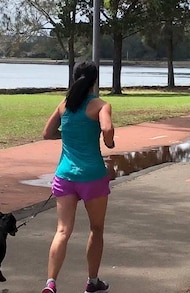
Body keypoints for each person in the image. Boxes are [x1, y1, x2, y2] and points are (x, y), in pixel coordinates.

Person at [41, 61, 115, 293]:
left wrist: (69, 136)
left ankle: (50, 283)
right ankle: (92, 282)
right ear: (95, 81)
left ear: (75, 78)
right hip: (92, 176)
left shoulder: (64, 105)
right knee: (96, 229)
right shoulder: (101, 105)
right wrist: (109, 142)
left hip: (65, 176)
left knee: (62, 231)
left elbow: (47, 133)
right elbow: (107, 129)